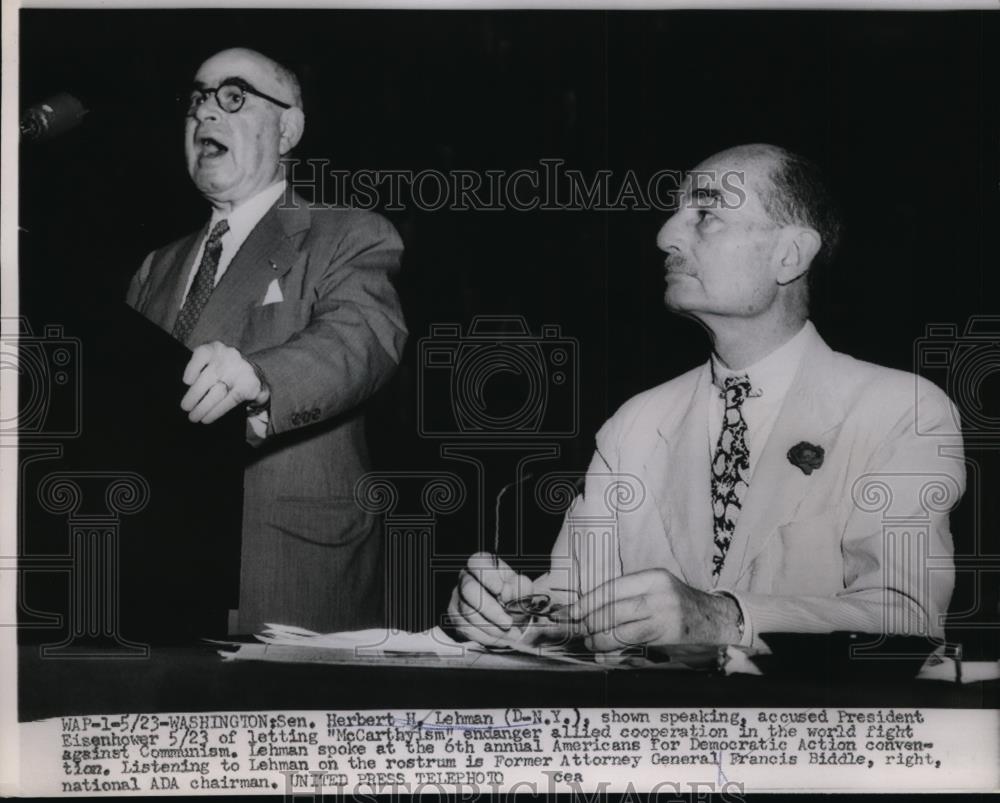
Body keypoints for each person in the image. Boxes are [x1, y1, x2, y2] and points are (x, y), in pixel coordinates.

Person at [448, 143, 965, 655]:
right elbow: (579, 602)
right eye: (675, 213)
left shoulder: (901, 411)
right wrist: (520, 615)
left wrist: (725, 617)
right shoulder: (636, 423)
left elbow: (907, 615)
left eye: (706, 215)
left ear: (789, 255)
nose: (665, 235)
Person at [127, 48, 407, 633]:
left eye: (233, 96)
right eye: (197, 99)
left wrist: (259, 378)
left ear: (288, 129)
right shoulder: (155, 267)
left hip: (283, 573)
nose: (206, 113)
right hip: (156, 573)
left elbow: (363, 338)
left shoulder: (347, 233)